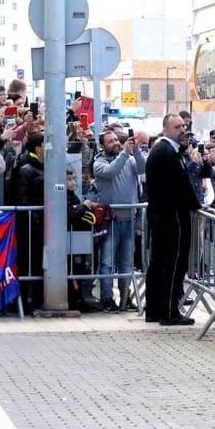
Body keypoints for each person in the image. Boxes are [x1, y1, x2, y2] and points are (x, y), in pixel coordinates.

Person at [142, 113, 197, 325]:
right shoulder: (166, 152)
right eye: (177, 127)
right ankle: (168, 311)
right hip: (170, 217)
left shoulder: (166, 151)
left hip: (163, 215)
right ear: (166, 129)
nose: (182, 130)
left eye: (184, 126)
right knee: (171, 263)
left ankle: (155, 310)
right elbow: (182, 185)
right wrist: (196, 205)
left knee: (159, 263)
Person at [91, 127, 143, 311]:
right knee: (106, 262)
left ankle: (125, 297)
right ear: (102, 146)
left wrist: (136, 150)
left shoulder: (128, 159)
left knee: (126, 264)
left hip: (129, 219)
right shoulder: (98, 163)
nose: (115, 143)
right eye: (110, 141)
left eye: (116, 139)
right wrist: (124, 153)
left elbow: (143, 168)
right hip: (109, 220)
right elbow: (111, 172)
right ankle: (106, 298)